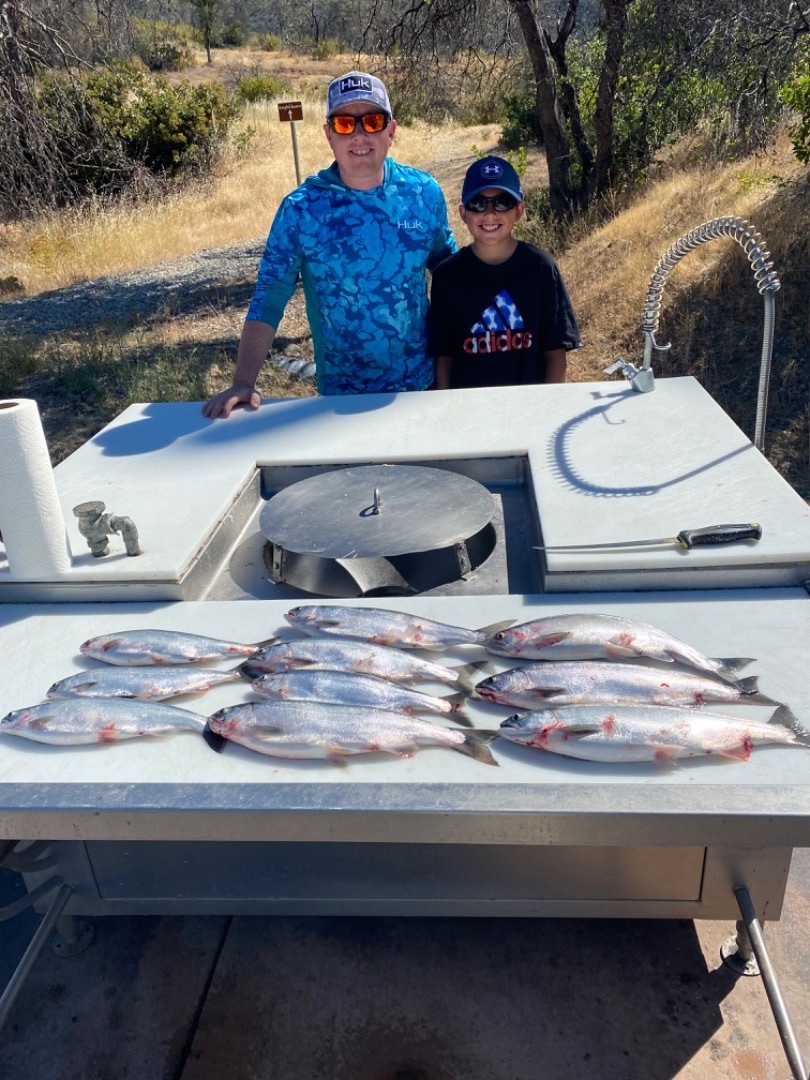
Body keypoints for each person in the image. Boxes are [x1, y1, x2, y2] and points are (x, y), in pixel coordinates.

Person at [203, 71, 457, 418]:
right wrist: (243, 382)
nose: (358, 135)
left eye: (372, 121)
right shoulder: (301, 209)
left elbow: (452, 272)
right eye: (343, 124)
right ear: (328, 135)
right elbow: (270, 294)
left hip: (420, 390)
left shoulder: (423, 194)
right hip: (339, 400)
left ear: (391, 131)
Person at [428, 155, 581, 390]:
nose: (490, 213)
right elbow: (444, 357)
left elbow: (555, 353)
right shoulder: (446, 277)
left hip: (528, 411)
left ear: (519, 210)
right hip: (469, 413)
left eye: (502, 202)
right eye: (478, 203)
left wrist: (549, 407)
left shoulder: (541, 268)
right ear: (463, 213)